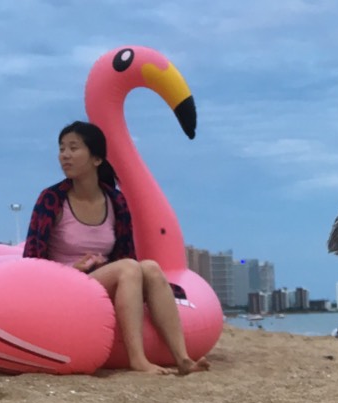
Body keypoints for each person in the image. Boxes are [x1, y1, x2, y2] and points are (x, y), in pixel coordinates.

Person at [23, 121, 208, 376]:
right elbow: (32, 260)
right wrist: (72, 269)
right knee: (129, 268)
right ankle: (138, 359)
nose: (64, 155)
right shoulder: (52, 200)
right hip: (64, 284)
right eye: (62, 148)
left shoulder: (115, 201)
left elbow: (125, 253)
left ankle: (183, 359)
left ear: (97, 159)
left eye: (73, 148)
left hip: (100, 281)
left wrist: (107, 268)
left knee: (151, 268)